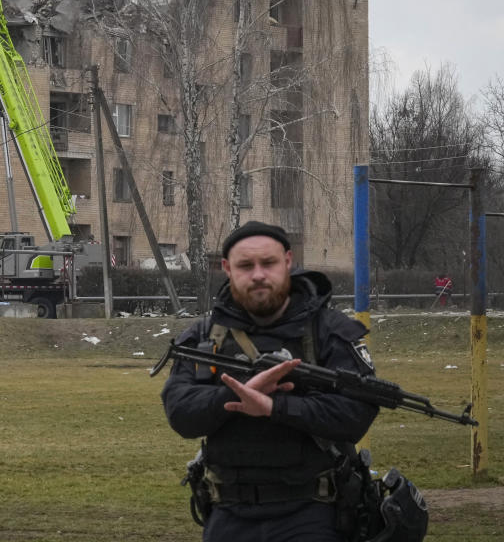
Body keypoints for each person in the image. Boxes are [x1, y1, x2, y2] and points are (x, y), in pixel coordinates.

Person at [161, 221, 379, 541]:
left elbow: (355, 414)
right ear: (226, 268)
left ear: (288, 261)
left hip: (314, 512)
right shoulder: (205, 337)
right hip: (228, 514)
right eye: (246, 265)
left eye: (269, 263)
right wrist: (235, 397)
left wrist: (274, 407)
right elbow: (180, 412)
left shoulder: (331, 332)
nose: (258, 274)